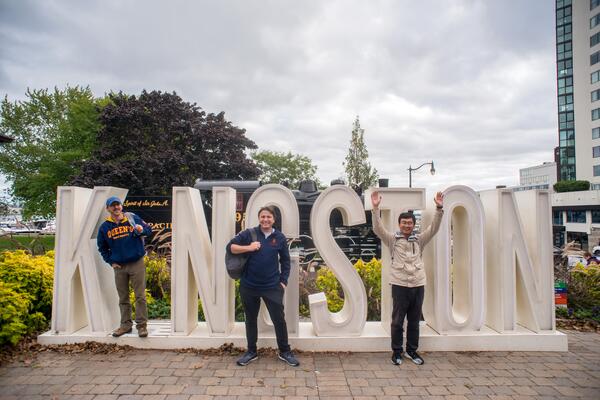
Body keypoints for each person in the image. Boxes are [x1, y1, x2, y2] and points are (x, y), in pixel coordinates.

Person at [370, 190, 444, 366]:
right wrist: (375, 208)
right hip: (400, 285)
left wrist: (439, 208)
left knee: (414, 321)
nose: (406, 226)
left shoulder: (419, 240)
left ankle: (412, 351)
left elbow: (434, 227)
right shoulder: (392, 240)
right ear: (399, 224)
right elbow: (377, 228)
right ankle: (397, 352)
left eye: (409, 223)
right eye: (404, 223)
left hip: (418, 284)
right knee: (397, 321)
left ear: (414, 225)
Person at [227, 206, 299, 367]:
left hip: (272, 286)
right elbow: (230, 247)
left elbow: (285, 261)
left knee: (279, 320)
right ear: (259, 218)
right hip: (249, 285)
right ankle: (251, 352)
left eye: (268, 217)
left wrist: (283, 281)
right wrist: (249, 247)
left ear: (274, 219)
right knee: (250, 319)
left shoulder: (279, 237)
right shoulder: (249, 234)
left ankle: (285, 351)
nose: (265, 219)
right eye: (262, 217)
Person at [97, 196, 152, 338]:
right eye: (113, 205)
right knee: (123, 298)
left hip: (136, 263)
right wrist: (110, 261)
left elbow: (148, 230)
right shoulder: (104, 227)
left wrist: (141, 230)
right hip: (119, 267)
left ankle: (141, 326)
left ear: (121, 206)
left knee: (140, 296)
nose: (116, 207)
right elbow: (102, 247)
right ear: (108, 209)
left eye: (118, 205)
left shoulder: (131, 218)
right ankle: (125, 325)